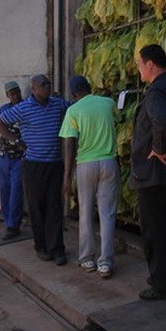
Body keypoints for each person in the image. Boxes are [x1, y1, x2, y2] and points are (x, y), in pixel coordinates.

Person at [129, 44, 166, 300]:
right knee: (159, 228)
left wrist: (157, 148)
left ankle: (162, 286)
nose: (139, 69)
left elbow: (162, 121)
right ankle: (160, 279)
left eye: (140, 64)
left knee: (154, 231)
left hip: (156, 175)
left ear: (150, 64)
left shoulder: (156, 91)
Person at [0, 75, 70, 265]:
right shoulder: (23, 108)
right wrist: (16, 140)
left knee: (54, 207)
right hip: (33, 165)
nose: (47, 87)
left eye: (48, 84)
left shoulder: (58, 104)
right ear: (33, 89)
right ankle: (41, 247)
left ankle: (57, 249)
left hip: (55, 164)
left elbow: (74, 109)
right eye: (42, 85)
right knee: (37, 207)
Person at [60, 76, 119, 279]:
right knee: (107, 214)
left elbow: (69, 144)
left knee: (85, 213)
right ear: (89, 87)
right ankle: (106, 263)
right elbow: (117, 117)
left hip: (86, 165)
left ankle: (87, 259)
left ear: (74, 94)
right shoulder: (107, 103)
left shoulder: (73, 110)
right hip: (109, 163)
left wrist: (67, 176)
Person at [0, 81, 24, 240]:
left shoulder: (25, 108)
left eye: (17, 92)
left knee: (16, 192)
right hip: (4, 157)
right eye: (12, 94)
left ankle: (13, 225)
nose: (15, 96)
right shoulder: (3, 110)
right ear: (7, 95)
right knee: (5, 190)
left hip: (19, 158)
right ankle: (7, 220)